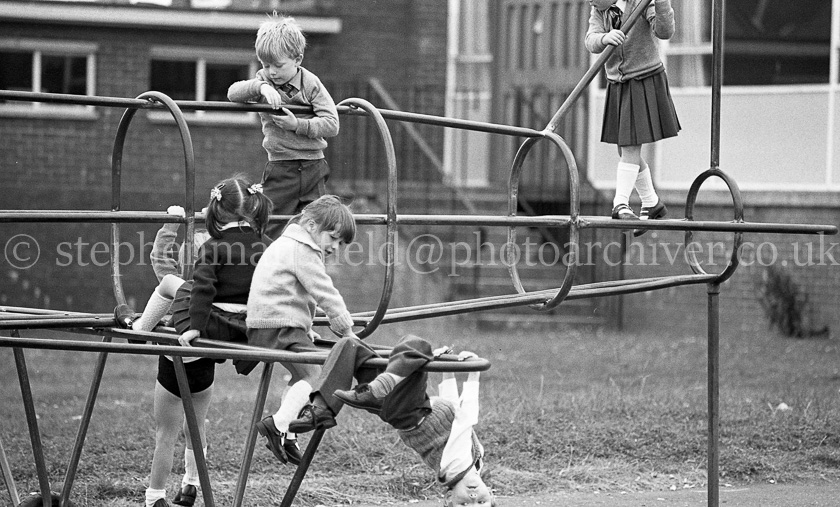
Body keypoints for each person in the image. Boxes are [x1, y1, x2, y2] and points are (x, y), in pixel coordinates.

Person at [115, 175, 272, 507]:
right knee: (197, 424)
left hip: (197, 332)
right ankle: (190, 484)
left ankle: (154, 496)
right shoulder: (264, 244)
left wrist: (193, 327)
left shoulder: (211, 248)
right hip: (233, 332)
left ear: (216, 210)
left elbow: (178, 274)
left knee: (165, 432)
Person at [286, 335, 495, 507]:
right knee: (350, 345)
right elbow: (453, 409)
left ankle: (379, 388)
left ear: (448, 500)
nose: (473, 498)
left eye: (464, 506)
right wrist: (448, 369)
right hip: (397, 408)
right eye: (482, 502)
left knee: (418, 346)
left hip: (410, 411)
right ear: (491, 494)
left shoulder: (458, 467)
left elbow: (467, 415)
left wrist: (473, 372)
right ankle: (322, 408)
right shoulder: (475, 461)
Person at [246, 194, 357, 466]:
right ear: (310, 225)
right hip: (277, 325)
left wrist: (306, 331)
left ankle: (287, 432)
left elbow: (297, 295)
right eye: (332, 237)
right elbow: (323, 292)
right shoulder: (303, 249)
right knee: (315, 374)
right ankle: (278, 424)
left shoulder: (289, 243)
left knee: (302, 376)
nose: (335, 247)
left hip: (269, 324)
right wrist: (346, 330)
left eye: (341, 243)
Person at [227, 14, 339, 239]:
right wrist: (260, 87)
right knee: (270, 224)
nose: (272, 72)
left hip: (312, 166)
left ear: (297, 59)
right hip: (281, 166)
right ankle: (267, 269)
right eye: (266, 65)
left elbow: (332, 124)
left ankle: (307, 269)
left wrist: (297, 124)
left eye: (278, 65)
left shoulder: (311, 84)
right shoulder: (264, 80)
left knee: (315, 225)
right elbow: (233, 93)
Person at [585, 0, 679, 235]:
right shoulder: (600, 10)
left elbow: (664, 32)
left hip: (643, 78)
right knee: (625, 150)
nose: (590, 1)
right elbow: (590, 40)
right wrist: (605, 38)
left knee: (630, 148)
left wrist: (662, 4)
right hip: (619, 83)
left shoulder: (639, 2)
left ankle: (621, 203)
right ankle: (651, 203)